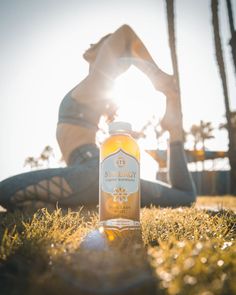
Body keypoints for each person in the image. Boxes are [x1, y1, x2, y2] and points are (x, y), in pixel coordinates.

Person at [0, 24, 196, 211]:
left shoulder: (96, 81)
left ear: (107, 53)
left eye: (105, 42)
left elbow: (126, 33)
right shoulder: (95, 88)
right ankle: (175, 132)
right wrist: (171, 97)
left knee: (4, 191)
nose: (93, 44)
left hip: (94, 171)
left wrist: (156, 75)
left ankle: (73, 205)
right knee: (184, 197)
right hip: (100, 173)